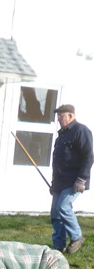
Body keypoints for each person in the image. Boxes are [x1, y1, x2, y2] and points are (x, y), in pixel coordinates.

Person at [50, 104, 93, 254]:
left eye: (61, 117)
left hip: (75, 181)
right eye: (58, 117)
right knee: (55, 213)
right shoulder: (61, 136)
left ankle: (77, 236)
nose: (59, 120)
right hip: (60, 181)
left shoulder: (81, 131)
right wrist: (53, 183)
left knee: (63, 207)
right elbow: (58, 161)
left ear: (71, 116)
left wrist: (82, 179)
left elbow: (88, 156)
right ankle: (58, 246)